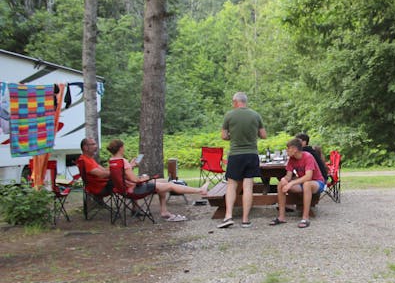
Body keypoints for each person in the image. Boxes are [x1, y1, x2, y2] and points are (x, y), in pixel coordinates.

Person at [106, 139, 209, 222]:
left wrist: (131, 166)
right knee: (170, 185)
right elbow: (135, 180)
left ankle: (164, 211)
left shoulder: (112, 161)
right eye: (123, 147)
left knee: (163, 182)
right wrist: (144, 178)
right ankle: (200, 190)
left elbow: (124, 176)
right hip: (135, 190)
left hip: (124, 189)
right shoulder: (123, 161)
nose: (124, 148)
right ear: (120, 148)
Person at [218, 92, 267, 228]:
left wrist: (232, 137)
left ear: (235, 102)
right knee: (248, 186)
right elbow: (263, 135)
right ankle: (245, 219)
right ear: (245, 101)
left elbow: (223, 136)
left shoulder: (229, 115)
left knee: (232, 185)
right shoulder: (255, 115)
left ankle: (228, 216)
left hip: (235, 154)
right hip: (251, 154)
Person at [269, 137, 325, 228]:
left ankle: (305, 218)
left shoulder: (307, 156)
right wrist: (285, 179)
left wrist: (291, 183)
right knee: (281, 184)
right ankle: (281, 217)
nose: (286, 150)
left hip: (317, 183)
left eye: (288, 148)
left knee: (307, 184)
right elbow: (288, 176)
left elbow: (308, 177)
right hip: (302, 184)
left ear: (294, 149)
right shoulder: (291, 159)